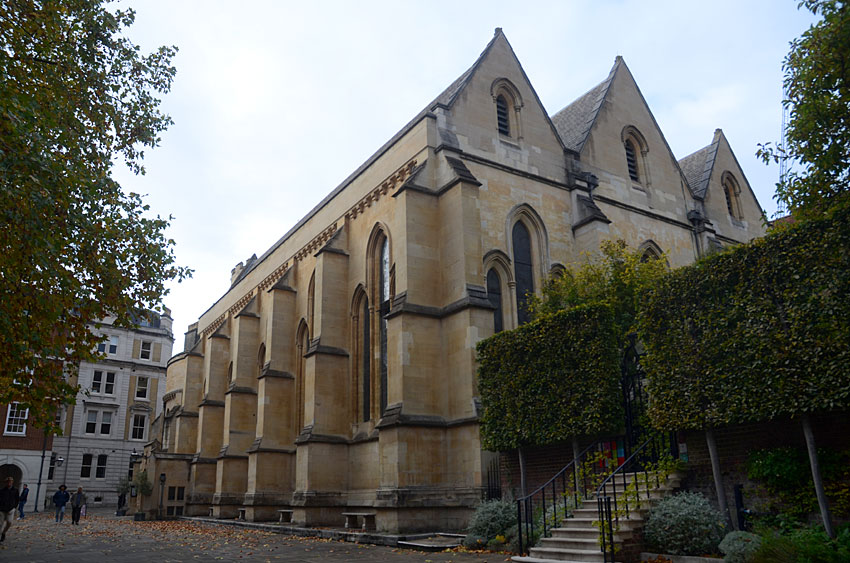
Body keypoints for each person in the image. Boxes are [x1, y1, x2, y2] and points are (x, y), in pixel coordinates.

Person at [0, 476, 19, 542]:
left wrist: (14, 507)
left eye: (10, 482)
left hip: (10, 509)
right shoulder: (2, 490)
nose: (9, 483)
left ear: (12, 482)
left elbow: (17, 499)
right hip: (2, 509)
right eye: (8, 482)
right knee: (0, 524)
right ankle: (0, 537)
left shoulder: (15, 490)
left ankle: (4, 532)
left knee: (9, 522)